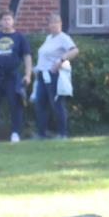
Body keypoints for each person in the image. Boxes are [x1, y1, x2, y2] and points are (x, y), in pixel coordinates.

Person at [0, 9, 31, 144]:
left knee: (15, 104)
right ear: (0, 22)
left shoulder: (20, 38)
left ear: (13, 21)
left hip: (12, 76)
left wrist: (28, 74)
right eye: (4, 19)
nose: (6, 22)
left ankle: (15, 133)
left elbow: (27, 56)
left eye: (9, 19)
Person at [33, 12, 79, 140]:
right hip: (42, 75)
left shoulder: (63, 37)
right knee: (40, 103)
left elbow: (74, 50)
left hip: (54, 75)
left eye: (56, 23)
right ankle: (41, 133)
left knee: (56, 104)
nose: (54, 25)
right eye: (51, 23)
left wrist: (61, 60)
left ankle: (62, 133)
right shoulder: (49, 38)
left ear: (60, 24)